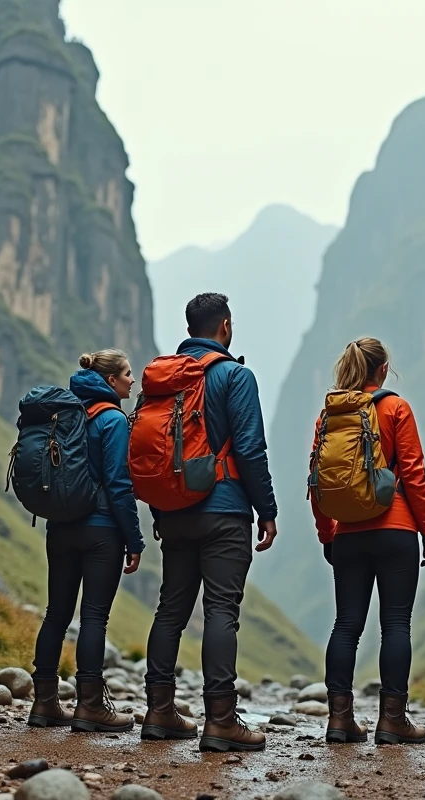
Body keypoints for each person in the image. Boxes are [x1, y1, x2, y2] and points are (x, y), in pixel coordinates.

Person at [141, 292, 278, 752]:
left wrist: (161, 509)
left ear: (189, 329)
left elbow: (153, 453)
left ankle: (159, 710)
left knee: (170, 610)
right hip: (224, 510)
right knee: (221, 610)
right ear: (226, 326)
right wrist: (267, 510)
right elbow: (250, 448)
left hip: (174, 513)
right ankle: (220, 720)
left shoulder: (165, 379)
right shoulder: (235, 376)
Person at [310, 337, 425, 745]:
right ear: (383, 369)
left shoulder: (330, 415)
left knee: (346, 625)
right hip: (396, 529)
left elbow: (318, 481)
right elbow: (413, 474)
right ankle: (392, 721)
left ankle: (339, 719)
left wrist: (328, 533)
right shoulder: (396, 408)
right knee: (396, 624)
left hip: (348, 534)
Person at [28, 349, 144, 733]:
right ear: (111, 380)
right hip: (101, 531)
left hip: (60, 527)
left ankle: (44, 703)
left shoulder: (66, 413)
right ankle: (90, 706)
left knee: (56, 614)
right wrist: (135, 540)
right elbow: (119, 485)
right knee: (94, 617)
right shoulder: (112, 419)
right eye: (127, 374)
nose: (132, 380)